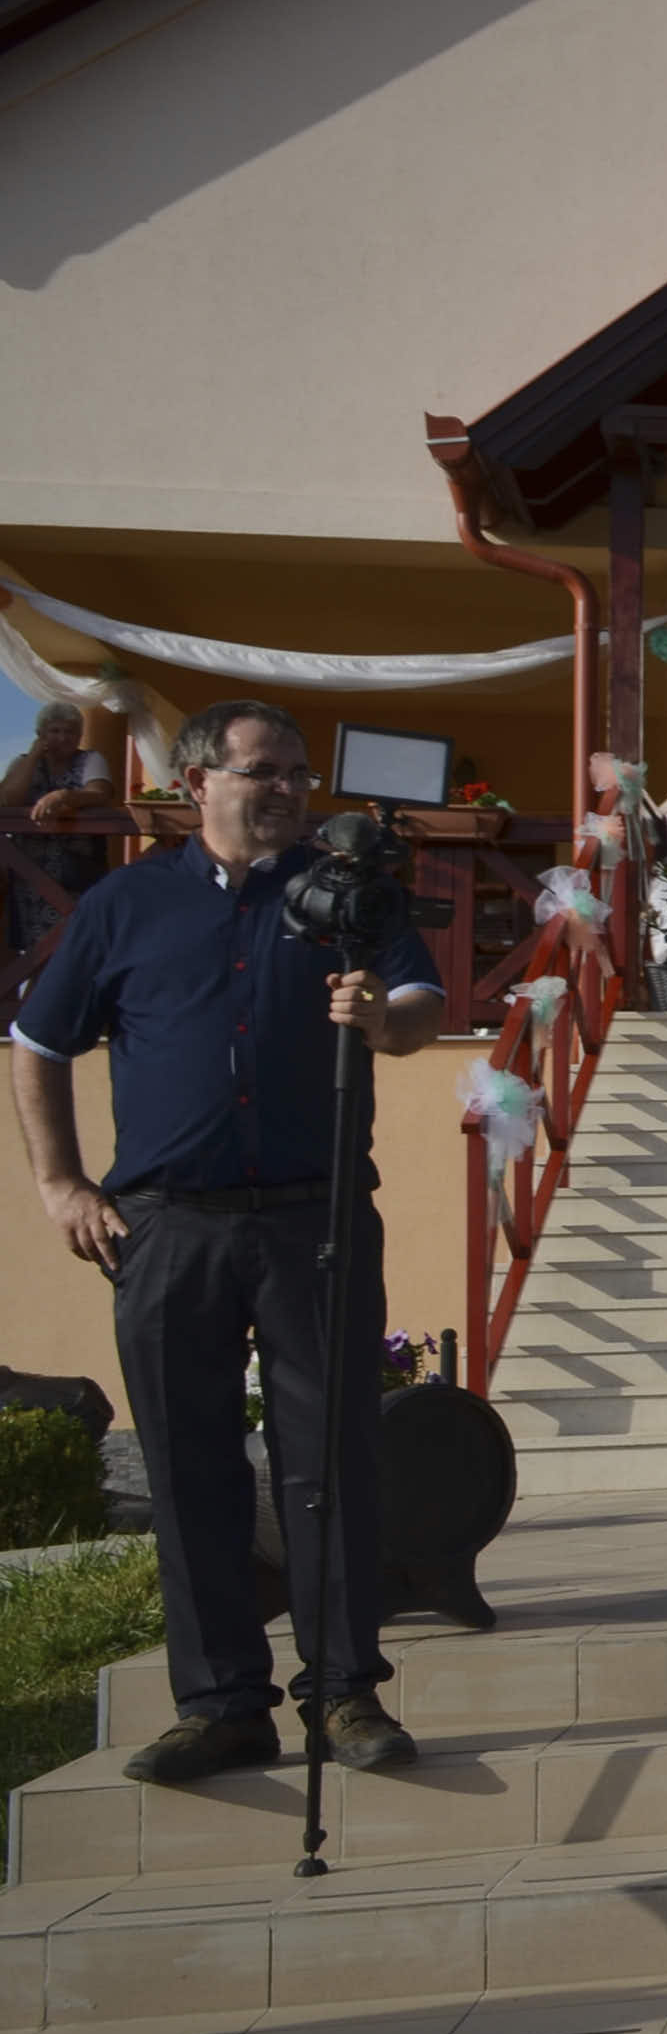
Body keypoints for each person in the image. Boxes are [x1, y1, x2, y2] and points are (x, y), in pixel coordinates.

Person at [10, 698, 440, 1782]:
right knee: (187, 1465)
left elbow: (420, 1007)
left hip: (315, 1218)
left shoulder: (346, 894)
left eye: (297, 771)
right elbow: (38, 1041)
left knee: (328, 1459)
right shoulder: (123, 904)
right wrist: (60, 1183)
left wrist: (381, 1020)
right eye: (264, 770)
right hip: (166, 1226)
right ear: (198, 782)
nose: (288, 788)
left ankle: (344, 1692)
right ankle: (220, 1706)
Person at [2, 699, 118, 960]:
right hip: (30, 873)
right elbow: (8, 799)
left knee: (75, 947)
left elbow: (99, 792)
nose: (63, 738)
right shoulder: (24, 763)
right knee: (36, 951)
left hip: (76, 871)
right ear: (41, 734)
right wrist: (34, 756)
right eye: (55, 731)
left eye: (70, 732)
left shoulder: (90, 760)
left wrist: (64, 796)